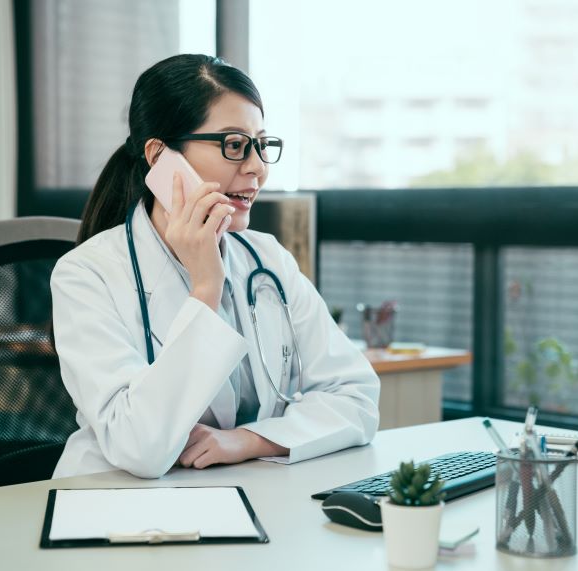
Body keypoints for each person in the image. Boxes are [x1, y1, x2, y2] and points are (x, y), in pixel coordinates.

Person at [50, 54, 380, 479]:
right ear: (159, 156)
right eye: (234, 145)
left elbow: (356, 397)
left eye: (261, 145)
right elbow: (140, 447)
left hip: (245, 492)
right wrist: (206, 287)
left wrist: (247, 441)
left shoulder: (266, 260)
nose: (258, 168)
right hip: (115, 508)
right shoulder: (86, 274)